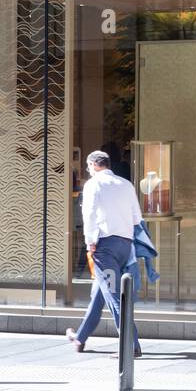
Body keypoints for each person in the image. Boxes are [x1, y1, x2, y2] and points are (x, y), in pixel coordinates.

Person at [66, 150, 143, 357]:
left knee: (114, 296)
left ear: (92, 165)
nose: (88, 171)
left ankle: (131, 345)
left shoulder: (93, 184)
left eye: (88, 167)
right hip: (124, 245)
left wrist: (90, 242)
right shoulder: (126, 184)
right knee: (99, 294)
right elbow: (137, 218)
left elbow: (89, 213)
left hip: (104, 247)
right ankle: (80, 337)